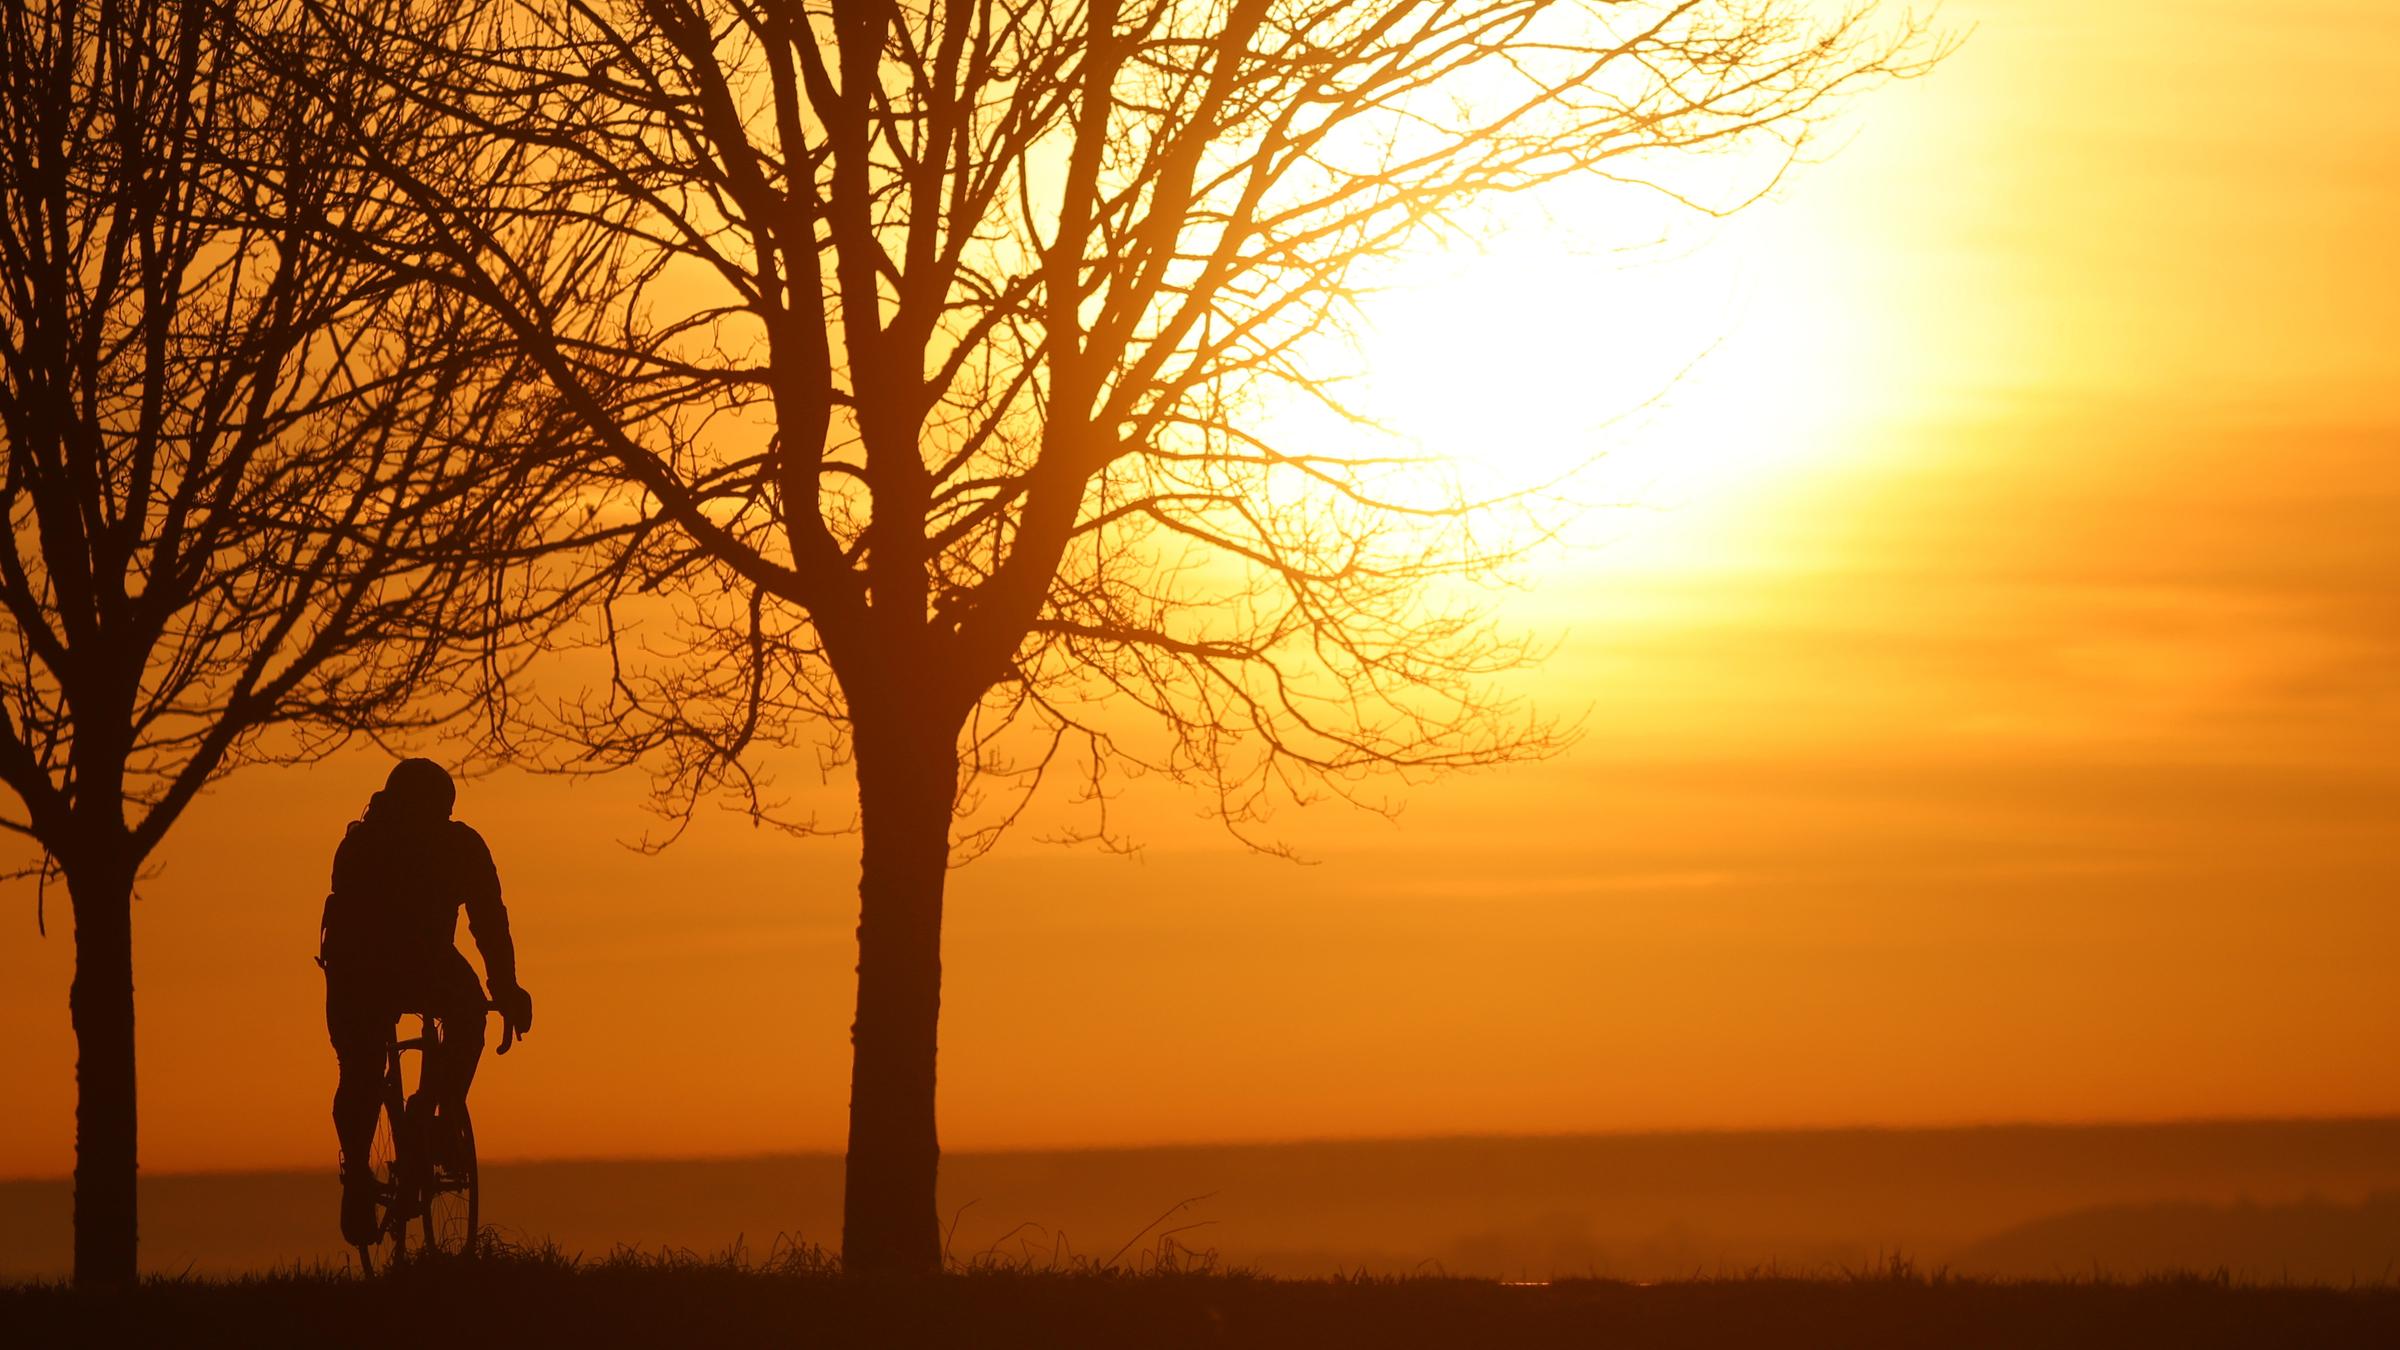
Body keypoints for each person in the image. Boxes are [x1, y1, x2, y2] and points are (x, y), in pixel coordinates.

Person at [320, 758, 534, 1246]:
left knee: (369, 1064)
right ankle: (380, 1155)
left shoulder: (375, 842)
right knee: (368, 1065)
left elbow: (488, 921)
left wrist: (504, 987)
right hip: (372, 966)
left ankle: (418, 1123)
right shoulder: (413, 846)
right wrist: (504, 989)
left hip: (383, 967)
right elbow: (489, 924)